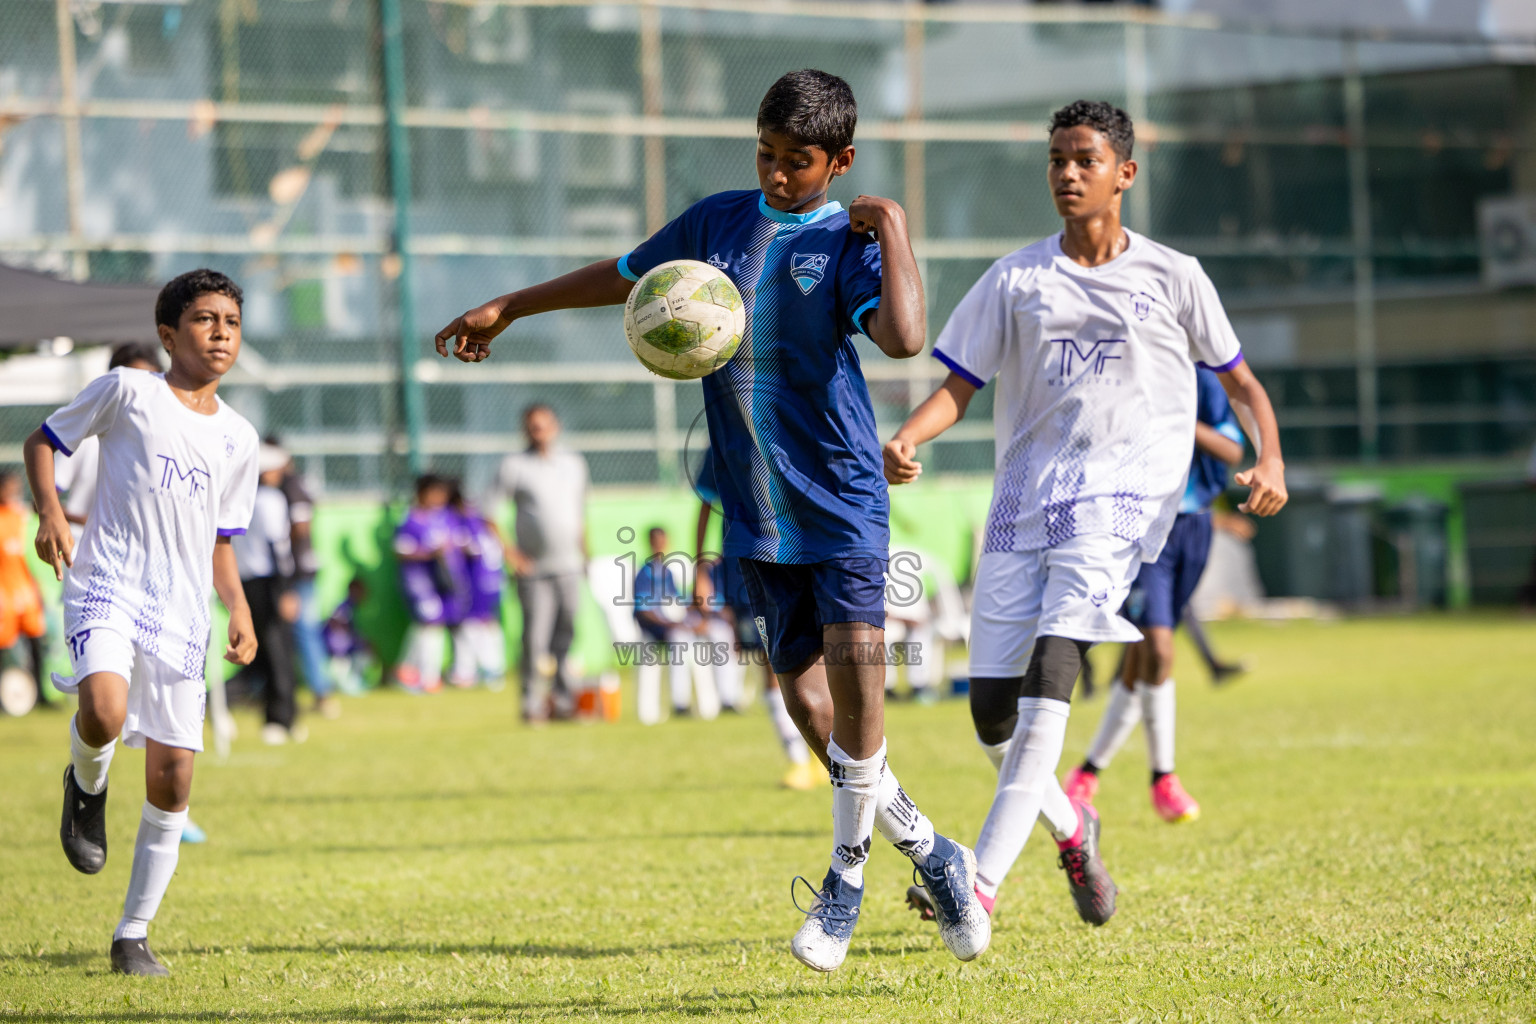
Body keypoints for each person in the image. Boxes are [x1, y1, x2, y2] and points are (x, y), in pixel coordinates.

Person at [436, 68, 990, 972]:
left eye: (797, 162)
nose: (776, 174)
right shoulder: (716, 222)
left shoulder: (848, 239)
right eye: (766, 154)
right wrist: (512, 305)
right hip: (756, 509)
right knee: (812, 711)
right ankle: (933, 851)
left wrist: (890, 226)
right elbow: (624, 276)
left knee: (860, 698)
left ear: (839, 161)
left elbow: (901, 337)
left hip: (844, 495)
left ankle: (845, 882)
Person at [885, 100, 1287, 930]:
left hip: (1118, 514)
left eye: (1085, 160)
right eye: (1057, 160)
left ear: (1124, 174)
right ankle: (1075, 827)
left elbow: (1243, 384)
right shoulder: (1017, 278)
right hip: (1019, 513)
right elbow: (959, 388)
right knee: (992, 715)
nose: (1068, 173)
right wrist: (907, 438)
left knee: (1046, 697)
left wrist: (1270, 455)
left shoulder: (1176, 275)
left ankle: (977, 884)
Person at [23, 268, 259, 977]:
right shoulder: (128, 391)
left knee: (174, 780)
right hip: (109, 583)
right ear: (168, 334)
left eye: (232, 322)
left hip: (184, 611)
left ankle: (133, 934)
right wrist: (51, 509)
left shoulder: (239, 438)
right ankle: (87, 787)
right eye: (205, 319)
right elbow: (43, 441)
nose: (221, 332)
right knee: (101, 707)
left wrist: (238, 606)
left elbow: (221, 540)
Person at [1062, 366, 1245, 823]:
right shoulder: (1129, 376)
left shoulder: (1203, 382)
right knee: (1158, 647)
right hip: (1141, 529)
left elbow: (1232, 448)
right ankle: (1164, 776)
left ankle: (1087, 771)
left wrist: (1185, 422)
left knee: (1142, 662)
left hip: (1195, 526)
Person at [692, 447, 821, 788]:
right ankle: (798, 758)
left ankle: (828, 752)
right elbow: (706, 502)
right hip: (744, 567)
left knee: (819, 654)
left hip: (802, 557)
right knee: (768, 660)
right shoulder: (722, 437)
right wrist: (700, 570)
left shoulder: (794, 423)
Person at [494, 406, 588, 721]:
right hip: (535, 570)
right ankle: (531, 704)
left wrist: (585, 555)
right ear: (525, 431)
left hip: (570, 566)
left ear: (556, 426)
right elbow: (489, 513)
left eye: (544, 426)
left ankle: (562, 703)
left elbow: (579, 514)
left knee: (566, 635)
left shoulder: (574, 464)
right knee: (535, 639)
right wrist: (512, 555)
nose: (540, 432)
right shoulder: (515, 466)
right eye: (533, 427)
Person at [231, 443, 303, 744]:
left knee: (263, 651)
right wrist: (287, 589)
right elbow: (279, 546)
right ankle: (282, 718)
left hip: (245, 582)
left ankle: (278, 715)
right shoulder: (270, 499)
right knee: (278, 650)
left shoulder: (238, 497)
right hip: (269, 581)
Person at [269, 439, 338, 718]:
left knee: (306, 632)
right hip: (294, 571)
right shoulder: (286, 487)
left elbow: (300, 529)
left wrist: (288, 567)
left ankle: (323, 693)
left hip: (297, 573)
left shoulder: (292, 487)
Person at [633, 526, 716, 723]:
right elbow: (644, 611)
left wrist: (694, 621)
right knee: (680, 640)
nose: (660, 545)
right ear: (650, 543)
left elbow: (678, 603)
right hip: (654, 630)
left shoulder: (668, 573)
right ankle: (680, 703)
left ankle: (708, 704)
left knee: (694, 639)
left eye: (663, 540)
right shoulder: (644, 574)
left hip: (672, 627)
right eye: (656, 541)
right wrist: (672, 624)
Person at [394, 474, 455, 694]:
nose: (439, 498)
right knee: (431, 625)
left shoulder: (438, 519)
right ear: (422, 493)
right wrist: (430, 553)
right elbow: (401, 551)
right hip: (417, 584)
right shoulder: (409, 520)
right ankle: (428, 677)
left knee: (426, 627)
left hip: (435, 583)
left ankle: (407, 672)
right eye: (435, 493)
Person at [448, 485, 508, 690]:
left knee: (474, 626)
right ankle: (480, 671)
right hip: (491, 583)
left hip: (479, 584)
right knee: (482, 625)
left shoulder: (471, 524)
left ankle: (476, 671)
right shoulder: (483, 525)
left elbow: (472, 551)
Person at [0, 470, 48, 707]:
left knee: (36, 641)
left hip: (25, 591)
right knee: (3, 646)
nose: (14, 491)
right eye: (9, 487)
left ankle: (41, 695)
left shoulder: (22, 518)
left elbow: (27, 557)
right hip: (4, 592)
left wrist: (35, 587)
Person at [324, 577, 372, 696]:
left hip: (346, 649)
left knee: (365, 654)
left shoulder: (353, 607)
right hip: (337, 650)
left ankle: (353, 683)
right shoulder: (345, 606)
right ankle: (347, 685)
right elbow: (334, 621)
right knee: (343, 676)